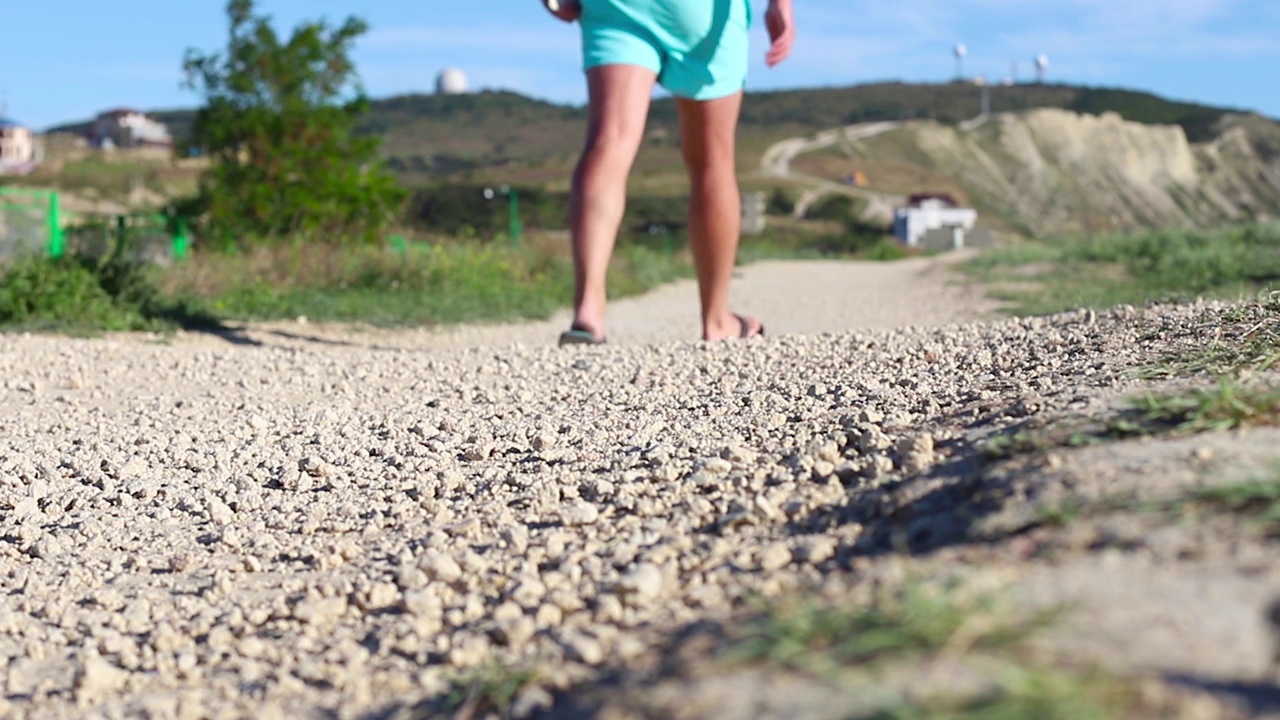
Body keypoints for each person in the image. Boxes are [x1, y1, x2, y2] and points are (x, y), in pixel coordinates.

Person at [545, 0, 795, 345]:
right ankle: (716, 320)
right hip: (703, 13)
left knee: (610, 141)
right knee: (713, 164)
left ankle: (589, 309)